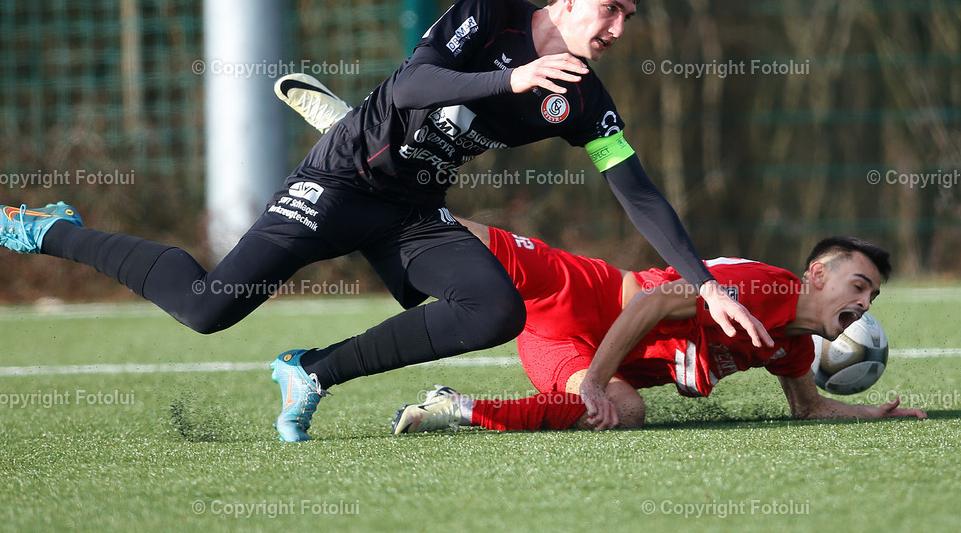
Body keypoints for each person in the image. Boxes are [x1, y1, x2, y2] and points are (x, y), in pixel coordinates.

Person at [0, 0, 772, 444]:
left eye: (629, 17)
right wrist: (514, 75)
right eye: (611, 9)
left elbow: (638, 190)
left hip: (412, 209)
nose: (618, 30)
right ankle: (48, 227)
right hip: (342, 176)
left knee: (494, 309)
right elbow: (416, 81)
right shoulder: (490, 15)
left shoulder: (584, 98)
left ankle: (309, 371)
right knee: (207, 305)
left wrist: (701, 282)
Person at [390, 220, 927, 434]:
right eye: (859, 285)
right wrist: (598, 378)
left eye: (873, 295)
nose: (865, 302)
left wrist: (871, 413)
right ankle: (398, 185)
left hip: (565, 350)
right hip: (585, 297)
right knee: (473, 242)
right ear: (817, 274)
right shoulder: (762, 286)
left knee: (626, 413)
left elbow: (808, 408)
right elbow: (649, 302)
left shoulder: (792, 350)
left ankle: (454, 407)